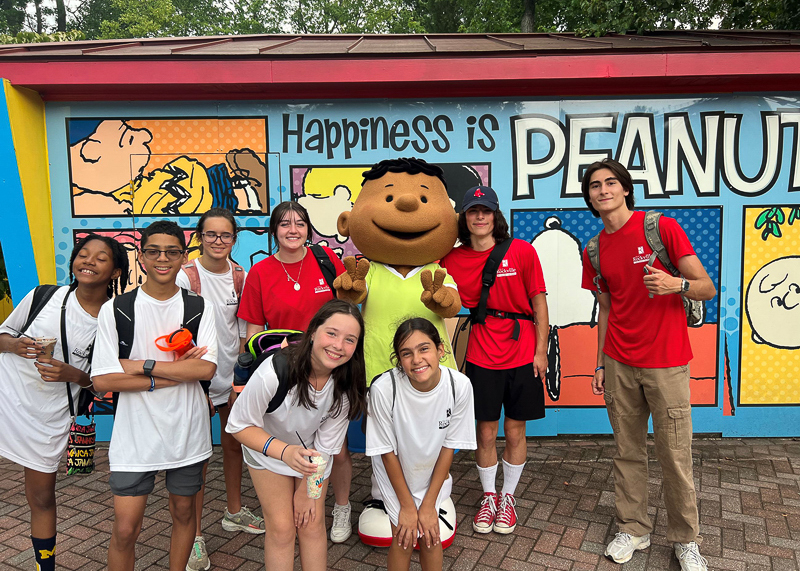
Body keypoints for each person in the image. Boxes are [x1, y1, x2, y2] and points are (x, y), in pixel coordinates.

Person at [579, 158, 716, 571]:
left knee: (675, 455)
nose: (603, 190)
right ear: (589, 197)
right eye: (595, 185)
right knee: (627, 451)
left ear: (624, 189)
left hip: (667, 362)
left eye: (610, 183)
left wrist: (677, 284)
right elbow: (605, 308)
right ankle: (633, 528)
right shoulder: (595, 249)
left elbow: (706, 287)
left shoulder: (660, 228)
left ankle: (685, 540)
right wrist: (600, 363)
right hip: (619, 362)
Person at [92, 220, 218, 571]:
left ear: (183, 256)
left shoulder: (198, 307)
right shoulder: (116, 310)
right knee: (125, 528)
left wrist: (139, 366)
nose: (163, 259)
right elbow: (102, 380)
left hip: (187, 432)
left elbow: (205, 370)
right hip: (134, 436)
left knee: (183, 514)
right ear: (141, 257)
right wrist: (167, 377)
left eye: (172, 251)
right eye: (154, 251)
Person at [0, 234, 128, 571]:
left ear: (115, 271)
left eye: (100, 258)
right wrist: (14, 346)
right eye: (83, 255)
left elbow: (101, 386)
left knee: (41, 498)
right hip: (5, 399)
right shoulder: (44, 296)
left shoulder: (114, 319)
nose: (88, 261)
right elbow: (2, 337)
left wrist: (74, 375)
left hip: (48, 417)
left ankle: (46, 566)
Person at [237, 200, 354, 542]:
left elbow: (347, 307)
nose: (293, 230)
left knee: (337, 447)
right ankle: (290, 499)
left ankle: (341, 507)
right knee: (293, 440)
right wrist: (260, 372)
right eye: (285, 223)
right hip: (286, 371)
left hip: (330, 367)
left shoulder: (325, 260)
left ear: (308, 229)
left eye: (300, 223)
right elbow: (254, 333)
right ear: (274, 230)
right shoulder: (260, 272)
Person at [226, 299, 367, 571]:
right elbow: (238, 425)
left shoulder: (345, 385)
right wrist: (284, 452)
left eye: (350, 340)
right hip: (266, 449)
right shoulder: (275, 372)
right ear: (313, 331)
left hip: (310, 456)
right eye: (332, 333)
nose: (338, 346)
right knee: (281, 528)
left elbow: (326, 446)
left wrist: (307, 489)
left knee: (311, 523)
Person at [440, 185, 549, 536]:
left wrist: (541, 350)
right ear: (465, 218)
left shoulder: (522, 251)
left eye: (485, 210)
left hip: (522, 351)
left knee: (516, 430)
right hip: (481, 352)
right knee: (485, 432)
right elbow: (431, 292)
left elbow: (539, 304)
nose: (480, 216)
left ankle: (508, 497)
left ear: (495, 214)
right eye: (473, 211)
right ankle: (489, 496)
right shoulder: (451, 259)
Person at [176, 208, 263, 571]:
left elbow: (244, 334)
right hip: (195, 380)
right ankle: (194, 537)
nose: (217, 241)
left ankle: (233, 512)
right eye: (210, 234)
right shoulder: (184, 277)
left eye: (225, 235)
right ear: (199, 236)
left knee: (232, 445)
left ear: (234, 239)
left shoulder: (240, 277)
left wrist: (238, 381)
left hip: (229, 379)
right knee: (197, 458)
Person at [366, 317, 476, 571]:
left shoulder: (459, 386)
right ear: (398, 359)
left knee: (430, 536)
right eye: (407, 353)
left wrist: (428, 505)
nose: (416, 360)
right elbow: (386, 452)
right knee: (403, 537)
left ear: (440, 350)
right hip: (394, 471)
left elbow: (449, 447)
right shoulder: (384, 389)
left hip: (431, 472)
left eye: (424, 348)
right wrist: (406, 506)